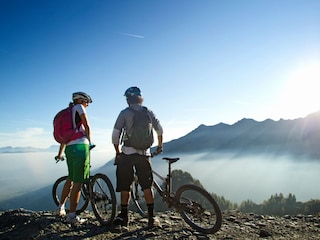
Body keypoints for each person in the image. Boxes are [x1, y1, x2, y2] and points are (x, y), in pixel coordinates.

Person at [112, 86, 163, 228]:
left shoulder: (124, 113)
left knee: (125, 186)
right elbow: (159, 129)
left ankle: (124, 217)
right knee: (147, 186)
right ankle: (152, 218)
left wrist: (117, 151)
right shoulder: (148, 112)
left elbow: (115, 135)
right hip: (144, 154)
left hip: (127, 154)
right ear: (140, 98)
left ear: (128, 99)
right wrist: (159, 146)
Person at [55, 91, 93, 224]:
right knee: (78, 182)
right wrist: (90, 142)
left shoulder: (68, 111)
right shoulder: (79, 108)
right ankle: (72, 216)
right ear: (81, 100)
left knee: (70, 178)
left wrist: (60, 153)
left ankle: (61, 207)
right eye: (87, 102)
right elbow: (87, 125)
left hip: (70, 148)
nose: (87, 104)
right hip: (81, 147)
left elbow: (65, 138)